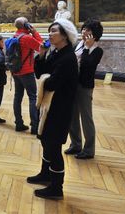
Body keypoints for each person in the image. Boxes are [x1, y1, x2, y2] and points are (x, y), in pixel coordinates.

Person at [27, 18, 78, 200]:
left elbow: (52, 82)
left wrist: (46, 79)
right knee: (45, 141)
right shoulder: (56, 53)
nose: (50, 34)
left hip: (60, 108)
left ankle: (57, 188)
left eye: (54, 31)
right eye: (49, 31)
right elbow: (41, 75)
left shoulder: (68, 57)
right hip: (50, 106)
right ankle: (45, 174)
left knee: (53, 145)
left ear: (65, 35)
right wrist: (41, 56)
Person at [65, 19, 104, 160]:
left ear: (95, 34)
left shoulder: (97, 50)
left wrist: (87, 48)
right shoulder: (77, 45)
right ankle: (76, 144)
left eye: (88, 30)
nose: (84, 32)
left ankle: (88, 150)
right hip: (72, 84)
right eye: (83, 29)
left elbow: (88, 64)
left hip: (84, 87)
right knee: (72, 115)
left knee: (86, 118)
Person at [11, 17, 43, 133]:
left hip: (15, 71)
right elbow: (42, 47)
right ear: (26, 25)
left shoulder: (14, 36)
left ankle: (18, 123)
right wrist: (34, 32)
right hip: (27, 71)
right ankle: (34, 126)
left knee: (17, 96)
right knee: (32, 97)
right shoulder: (27, 38)